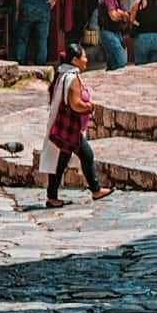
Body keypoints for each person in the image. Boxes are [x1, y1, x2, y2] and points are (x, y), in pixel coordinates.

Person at [38, 43, 112, 208]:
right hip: (69, 127)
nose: (86, 60)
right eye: (83, 56)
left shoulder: (62, 73)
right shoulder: (72, 78)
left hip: (64, 126)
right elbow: (75, 104)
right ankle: (95, 190)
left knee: (62, 160)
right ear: (74, 60)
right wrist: (89, 107)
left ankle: (53, 196)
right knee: (86, 155)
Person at [96, 0, 132, 71]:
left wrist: (122, 14)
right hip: (108, 32)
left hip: (115, 32)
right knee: (120, 62)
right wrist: (122, 15)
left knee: (113, 63)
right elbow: (114, 16)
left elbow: (126, 15)